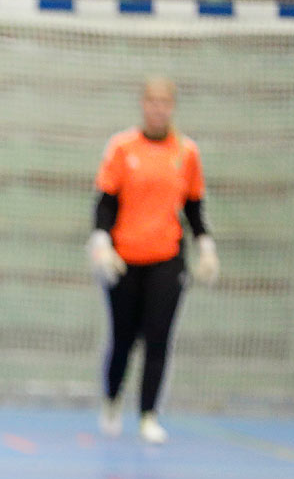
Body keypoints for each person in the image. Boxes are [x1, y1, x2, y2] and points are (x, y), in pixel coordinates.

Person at [86, 76, 219, 445]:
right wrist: (101, 241)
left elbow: (193, 206)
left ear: (172, 106)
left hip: (167, 257)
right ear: (142, 104)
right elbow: (106, 200)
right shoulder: (122, 146)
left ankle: (148, 414)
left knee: (159, 337)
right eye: (151, 101)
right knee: (124, 338)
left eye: (164, 101)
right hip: (125, 258)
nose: (157, 107)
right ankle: (112, 399)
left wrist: (205, 246)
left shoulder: (185, 152)